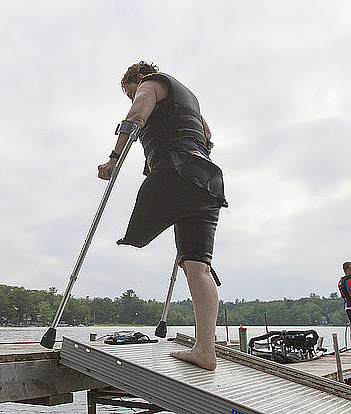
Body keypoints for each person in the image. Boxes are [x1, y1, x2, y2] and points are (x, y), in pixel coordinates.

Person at [98, 61, 228, 370]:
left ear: (137, 79)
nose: (131, 97)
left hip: (176, 169)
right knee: (198, 265)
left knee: (136, 236)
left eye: (128, 92)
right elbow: (208, 136)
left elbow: (136, 116)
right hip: (208, 179)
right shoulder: (190, 100)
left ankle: (131, 239)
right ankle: (205, 351)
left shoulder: (150, 83)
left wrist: (113, 160)